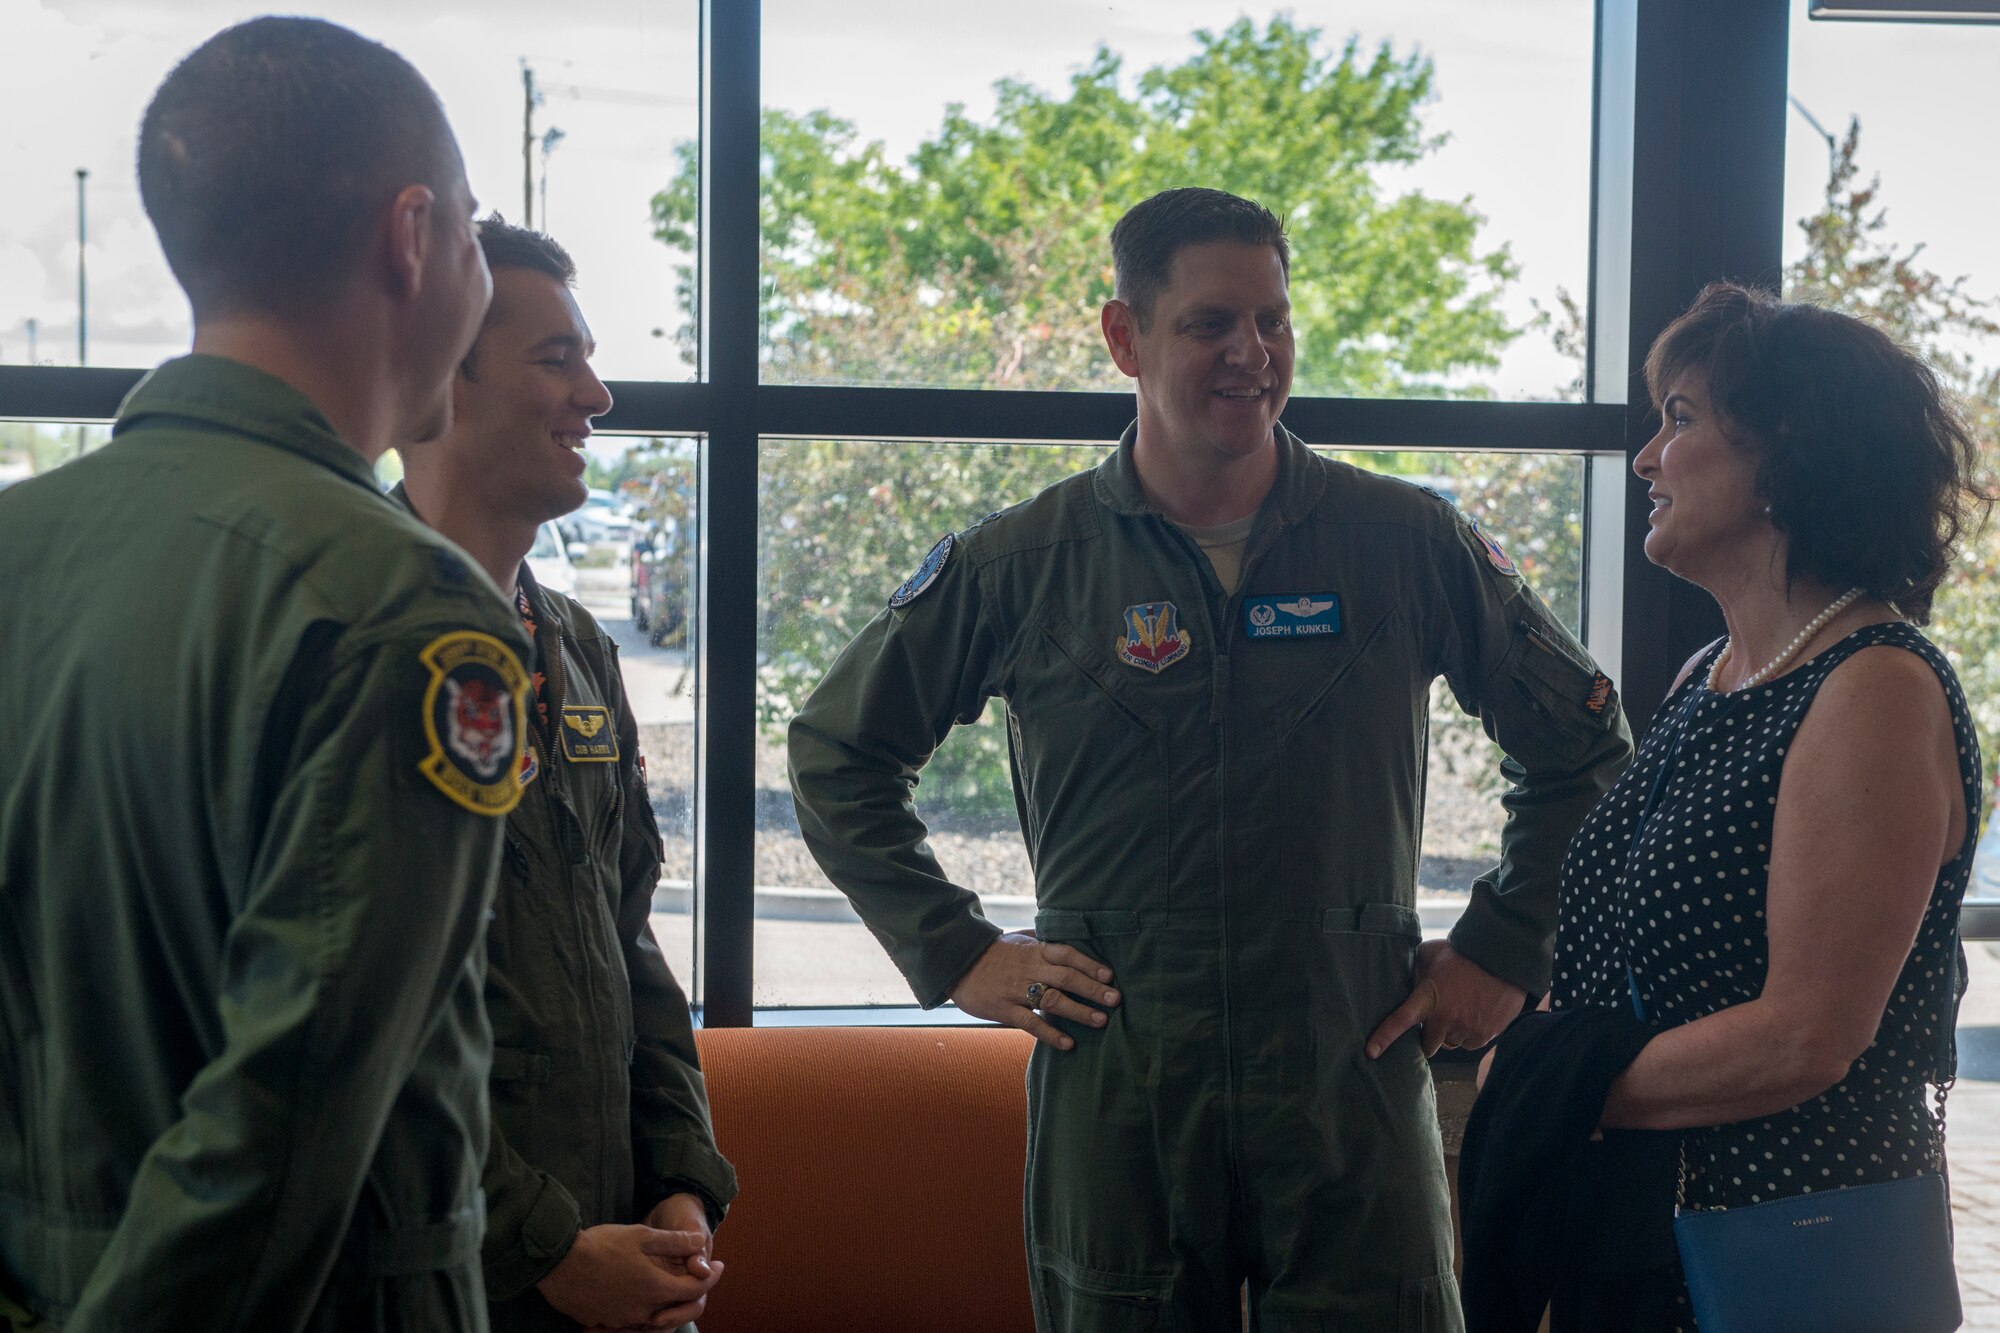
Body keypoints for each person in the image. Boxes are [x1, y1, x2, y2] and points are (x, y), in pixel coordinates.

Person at [788, 186, 1633, 1331]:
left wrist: (1504, 944)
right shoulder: (1022, 565)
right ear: (1123, 337)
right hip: (1120, 1082)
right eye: (1209, 324)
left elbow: (1583, 748)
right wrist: (956, 949)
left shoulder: (1403, 544)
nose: (1251, 352)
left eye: (1271, 321)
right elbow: (836, 752)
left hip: (1346, 1069)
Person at [0, 18, 531, 1332]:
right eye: (473, 231)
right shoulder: (403, 606)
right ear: (411, 237)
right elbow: (286, 1124)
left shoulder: (21, 544)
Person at [1536, 281, 1991, 1329]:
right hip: (1648, 1231)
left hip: (1785, 1255)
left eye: (1680, 419)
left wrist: (1545, 1084)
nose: (1646, 459)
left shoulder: (1874, 685)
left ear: (1788, 455)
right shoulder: (1708, 674)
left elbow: (1805, 1038)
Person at [396, 218, 737, 1333]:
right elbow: (350, 1029)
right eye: (558, 360)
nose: (597, 396)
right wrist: (541, 1249)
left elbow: (625, 933)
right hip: (437, 1276)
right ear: (445, 373)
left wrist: (678, 1177)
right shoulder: (351, 636)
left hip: (614, 1253)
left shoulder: (578, 645)